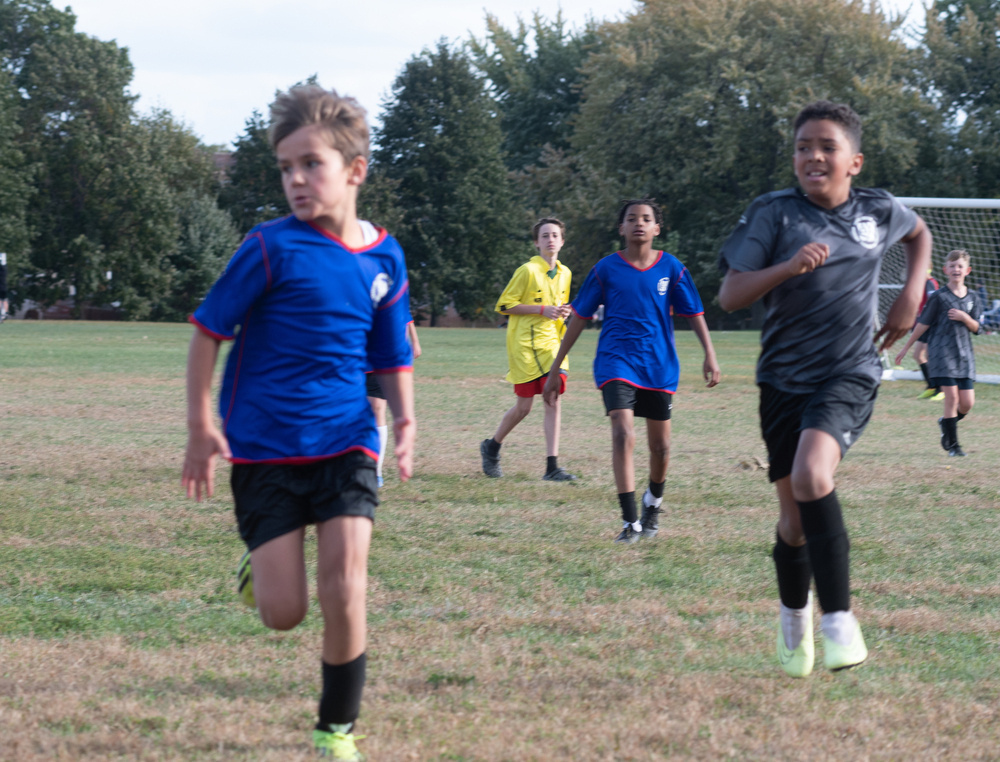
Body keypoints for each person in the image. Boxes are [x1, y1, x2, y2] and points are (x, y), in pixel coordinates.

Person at [181, 85, 415, 761]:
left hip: (345, 437)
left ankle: (335, 729)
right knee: (285, 614)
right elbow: (206, 332)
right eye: (285, 168)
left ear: (355, 170)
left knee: (346, 583)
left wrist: (404, 419)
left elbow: (391, 349)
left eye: (310, 163)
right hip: (262, 447)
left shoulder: (384, 257)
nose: (295, 181)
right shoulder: (267, 248)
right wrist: (202, 425)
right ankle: (260, 570)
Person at [718, 100, 932, 678]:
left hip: (850, 371)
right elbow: (730, 296)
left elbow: (919, 232)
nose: (813, 155)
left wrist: (911, 294)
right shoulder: (773, 214)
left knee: (815, 474)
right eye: (803, 146)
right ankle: (794, 619)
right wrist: (786, 267)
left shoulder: (877, 210)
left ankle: (839, 621)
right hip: (782, 380)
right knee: (793, 522)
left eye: (826, 147)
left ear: (853, 162)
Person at [542, 199, 720, 542]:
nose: (639, 223)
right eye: (631, 219)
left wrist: (709, 354)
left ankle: (653, 502)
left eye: (646, 219)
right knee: (623, 433)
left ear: (657, 228)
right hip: (616, 360)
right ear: (621, 228)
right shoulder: (606, 269)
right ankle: (630, 522)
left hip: (658, 365)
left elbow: (694, 313)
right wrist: (554, 368)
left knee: (661, 448)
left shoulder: (671, 267)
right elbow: (579, 316)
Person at [480, 217, 577, 482]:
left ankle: (552, 467)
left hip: (552, 344)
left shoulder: (565, 273)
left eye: (555, 235)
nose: (550, 240)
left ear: (562, 241)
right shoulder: (527, 271)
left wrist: (563, 312)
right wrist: (542, 310)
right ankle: (492, 446)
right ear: (536, 242)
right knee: (523, 408)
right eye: (545, 236)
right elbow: (504, 305)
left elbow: (559, 305)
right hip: (524, 345)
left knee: (553, 397)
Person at [894, 249, 983, 457]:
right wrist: (907, 346)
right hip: (941, 352)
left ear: (967, 270)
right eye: (952, 266)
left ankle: (946, 422)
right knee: (951, 398)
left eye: (960, 266)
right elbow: (923, 324)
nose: (956, 269)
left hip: (964, 356)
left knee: (967, 403)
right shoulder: (939, 297)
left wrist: (964, 317)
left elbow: (978, 328)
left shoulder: (973, 298)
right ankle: (953, 446)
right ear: (945, 270)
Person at [368, 322, 421, 487]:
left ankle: (375, 470)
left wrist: (414, 341)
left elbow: (402, 312)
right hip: (346, 356)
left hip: (377, 357)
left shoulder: (385, 296)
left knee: (377, 408)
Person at [913, 269, 942, 400]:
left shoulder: (930, 283)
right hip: (924, 323)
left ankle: (941, 389)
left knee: (931, 356)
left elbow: (934, 303)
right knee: (918, 355)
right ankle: (931, 386)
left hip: (930, 324)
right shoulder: (925, 283)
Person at [0, 251, 8, 321]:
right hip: (4, 287)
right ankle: (5, 313)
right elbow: (4, 266)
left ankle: (1, 314)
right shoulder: (4, 273)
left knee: (0, 300)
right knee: (4, 300)